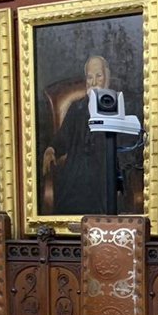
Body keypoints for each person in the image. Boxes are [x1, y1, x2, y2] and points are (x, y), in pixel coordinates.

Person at [42, 55, 126, 216]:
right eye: (89, 77)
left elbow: (125, 146)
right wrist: (52, 148)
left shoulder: (117, 106)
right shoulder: (77, 107)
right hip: (77, 173)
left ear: (107, 78)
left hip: (104, 173)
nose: (93, 82)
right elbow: (63, 137)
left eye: (98, 76)